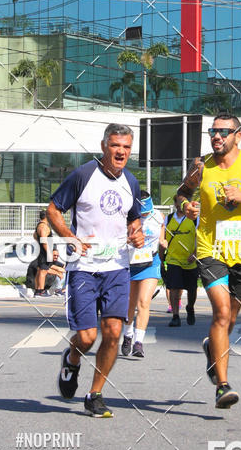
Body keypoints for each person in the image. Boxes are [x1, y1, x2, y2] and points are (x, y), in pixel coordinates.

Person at [178, 112, 241, 409]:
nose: (217, 137)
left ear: (238, 135)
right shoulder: (201, 166)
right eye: (213, 131)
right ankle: (222, 386)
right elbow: (181, 194)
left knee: (230, 319)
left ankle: (213, 348)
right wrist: (186, 205)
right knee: (221, 314)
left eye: (224, 132)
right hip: (210, 250)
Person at [47, 123, 144, 418]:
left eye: (126, 147)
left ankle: (95, 394)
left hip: (117, 267)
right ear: (104, 146)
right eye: (116, 145)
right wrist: (69, 236)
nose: (121, 152)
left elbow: (134, 219)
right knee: (88, 337)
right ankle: (73, 358)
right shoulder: (83, 175)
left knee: (113, 333)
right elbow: (53, 210)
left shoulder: (131, 181)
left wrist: (136, 233)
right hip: (84, 268)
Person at [121, 191, 163, 358]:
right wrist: (130, 240)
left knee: (144, 302)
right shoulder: (127, 217)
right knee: (130, 304)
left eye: (147, 210)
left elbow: (162, 238)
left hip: (151, 263)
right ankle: (128, 335)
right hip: (131, 263)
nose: (145, 214)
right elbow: (118, 239)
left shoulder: (159, 216)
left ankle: (139, 343)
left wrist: (164, 245)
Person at [158, 193, 198, 327]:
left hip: (190, 261)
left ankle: (190, 308)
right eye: (178, 203)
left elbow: (201, 240)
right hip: (173, 260)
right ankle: (175, 316)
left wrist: (195, 254)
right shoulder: (168, 219)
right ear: (175, 204)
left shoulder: (194, 220)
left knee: (192, 290)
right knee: (174, 289)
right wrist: (161, 258)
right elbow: (162, 240)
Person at [33, 210, 65, 297]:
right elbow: (43, 240)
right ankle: (40, 291)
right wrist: (48, 252)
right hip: (45, 252)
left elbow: (35, 236)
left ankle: (38, 290)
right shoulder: (44, 226)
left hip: (42, 250)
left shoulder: (40, 226)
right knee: (43, 271)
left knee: (40, 270)